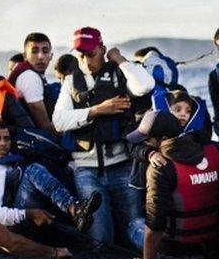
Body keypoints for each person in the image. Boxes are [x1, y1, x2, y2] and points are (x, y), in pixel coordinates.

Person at [52, 26, 154, 247]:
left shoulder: (119, 74)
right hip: (87, 173)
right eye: (81, 56)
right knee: (100, 239)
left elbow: (145, 86)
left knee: (135, 229)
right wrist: (98, 110)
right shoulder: (71, 82)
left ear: (102, 49)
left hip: (122, 167)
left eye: (91, 54)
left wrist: (119, 59)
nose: (87, 61)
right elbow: (59, 121)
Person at [115, 111, 219, 259]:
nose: (144, 142)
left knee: (133, 225)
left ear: (164, 139)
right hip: (213, 245)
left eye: (147, 139)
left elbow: (155, 224)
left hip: (176, 252)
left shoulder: (161, 167)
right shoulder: (216, 150)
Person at [0, 121, 101, 231]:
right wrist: (27, 214)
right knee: (33, 170)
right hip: (11, 224)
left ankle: (74, 211)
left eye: (6, 139)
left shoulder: (15, 156)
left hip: (32, 209)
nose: (3, 143)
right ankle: (74, 209)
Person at [8, 33, 57, 134]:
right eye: (34, 51)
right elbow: (44, 125)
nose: (40, 56)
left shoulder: (32, 73)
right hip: (28, 140)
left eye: (45, 51)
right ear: (25, 55)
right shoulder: (29, 77)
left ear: (51, 56)